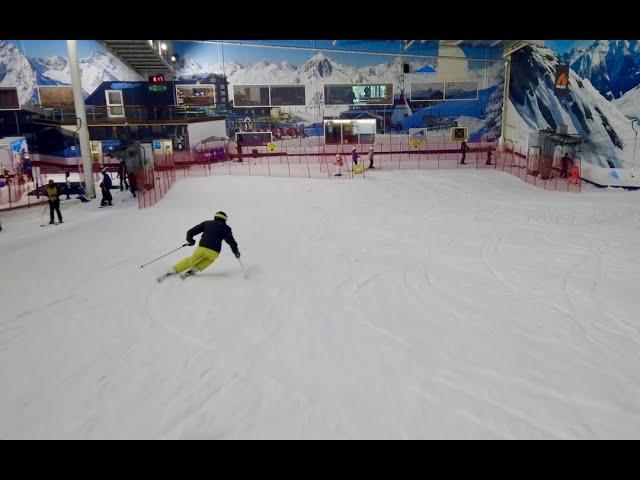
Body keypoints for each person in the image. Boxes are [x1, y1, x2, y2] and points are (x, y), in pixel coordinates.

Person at [157, 211, 241, 282]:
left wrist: (191, 240)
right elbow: (231, 242)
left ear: (215, 217)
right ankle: (195, 269)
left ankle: (175, 270)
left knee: (192, 260)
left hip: (202, 248)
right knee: (208, 260)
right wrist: (236, 252)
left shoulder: (207, 223)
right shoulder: (226, 228)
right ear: (225, 220)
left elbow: (190, 232)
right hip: (214, 252)